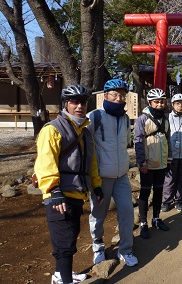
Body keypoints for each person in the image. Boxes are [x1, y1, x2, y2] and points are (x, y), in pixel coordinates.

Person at [34, 84, 103, 284]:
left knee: (71, 236)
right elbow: (45, 163)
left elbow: (91, 163)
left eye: (83, 101)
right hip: (58, 195)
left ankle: (60, 274)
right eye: (74, 101)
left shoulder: (85, 131)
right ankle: (64, 281)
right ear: (66, 104)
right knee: (63, 242)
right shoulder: (53, 129)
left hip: (76, 192)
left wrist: (96, 185)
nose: (79, 106)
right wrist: (54, 190)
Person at [87, 79, 138, 267]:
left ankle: (125, 249)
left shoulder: (124, 118)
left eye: (122, 95)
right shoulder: (94, 116)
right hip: (101, 177)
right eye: (114, 94)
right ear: (105, 96)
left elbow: (125, 144)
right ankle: (98, 248)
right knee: (98, 215)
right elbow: (84, 145)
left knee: (126, 212)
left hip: (121, 176)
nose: (118, 98)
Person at [134, 88, 172, 239]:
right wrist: (141, 162)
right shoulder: (142, 119)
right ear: (150, 102)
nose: (160, 104)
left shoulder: (165, 118)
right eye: (157, 101)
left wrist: (169, 158)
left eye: (162, 101)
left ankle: (156, 218)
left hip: (162, 162)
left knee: (158, 191)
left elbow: (167, 139)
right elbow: (137, 141)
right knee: (145, 192)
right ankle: (143, 223)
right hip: (148, 163)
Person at [162, 93, 182, 212]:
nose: (180, 106)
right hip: (171, 154)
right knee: (169, 179)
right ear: (173, 105)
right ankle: (167, 201)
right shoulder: (167, 118)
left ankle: (180, 200)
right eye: (177, 104)